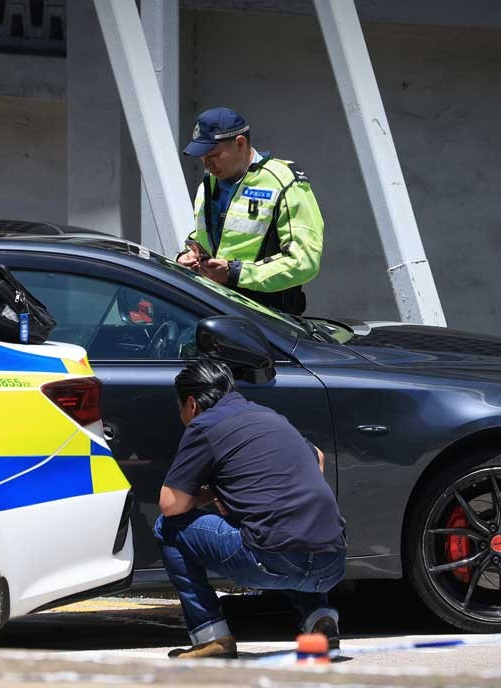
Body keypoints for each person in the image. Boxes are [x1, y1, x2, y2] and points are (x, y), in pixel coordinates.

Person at [154, 358, 347, 659]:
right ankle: (320, 620)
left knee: (167, 528)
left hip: (272, 561)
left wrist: (213, 493)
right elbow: (319, 457)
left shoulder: (205, 425)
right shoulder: (268, 415)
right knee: (291, 529)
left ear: (191, 404)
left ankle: (211, 637)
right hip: (332, 563)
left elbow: (170, 504)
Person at [177, 107, 324, 316]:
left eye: (213, 155)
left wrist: (235, 274)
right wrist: (188, 255)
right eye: (202, 156)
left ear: (240, 143)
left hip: (268, 318)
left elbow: (304, 261)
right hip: (216, 309)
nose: (207, 164)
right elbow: (208, 237)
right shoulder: (208, 183)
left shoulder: (283, 181)